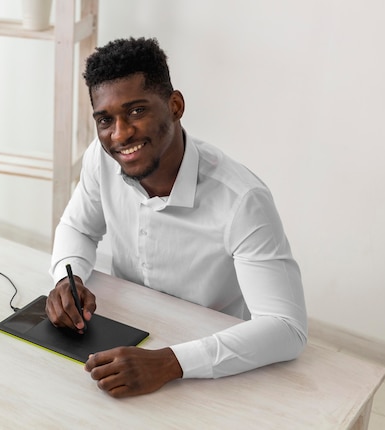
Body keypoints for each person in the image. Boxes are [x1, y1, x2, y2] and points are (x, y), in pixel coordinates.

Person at [46, 37, 307, 398]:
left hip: (213, 354)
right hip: (128, 331)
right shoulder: (101, 158)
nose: (119, 134)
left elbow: (286, 328)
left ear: (175, 105)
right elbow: (79, 227)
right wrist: (66, 279)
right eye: (106, 119)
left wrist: (169, 363)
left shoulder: (243, 200)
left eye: (136, 111)